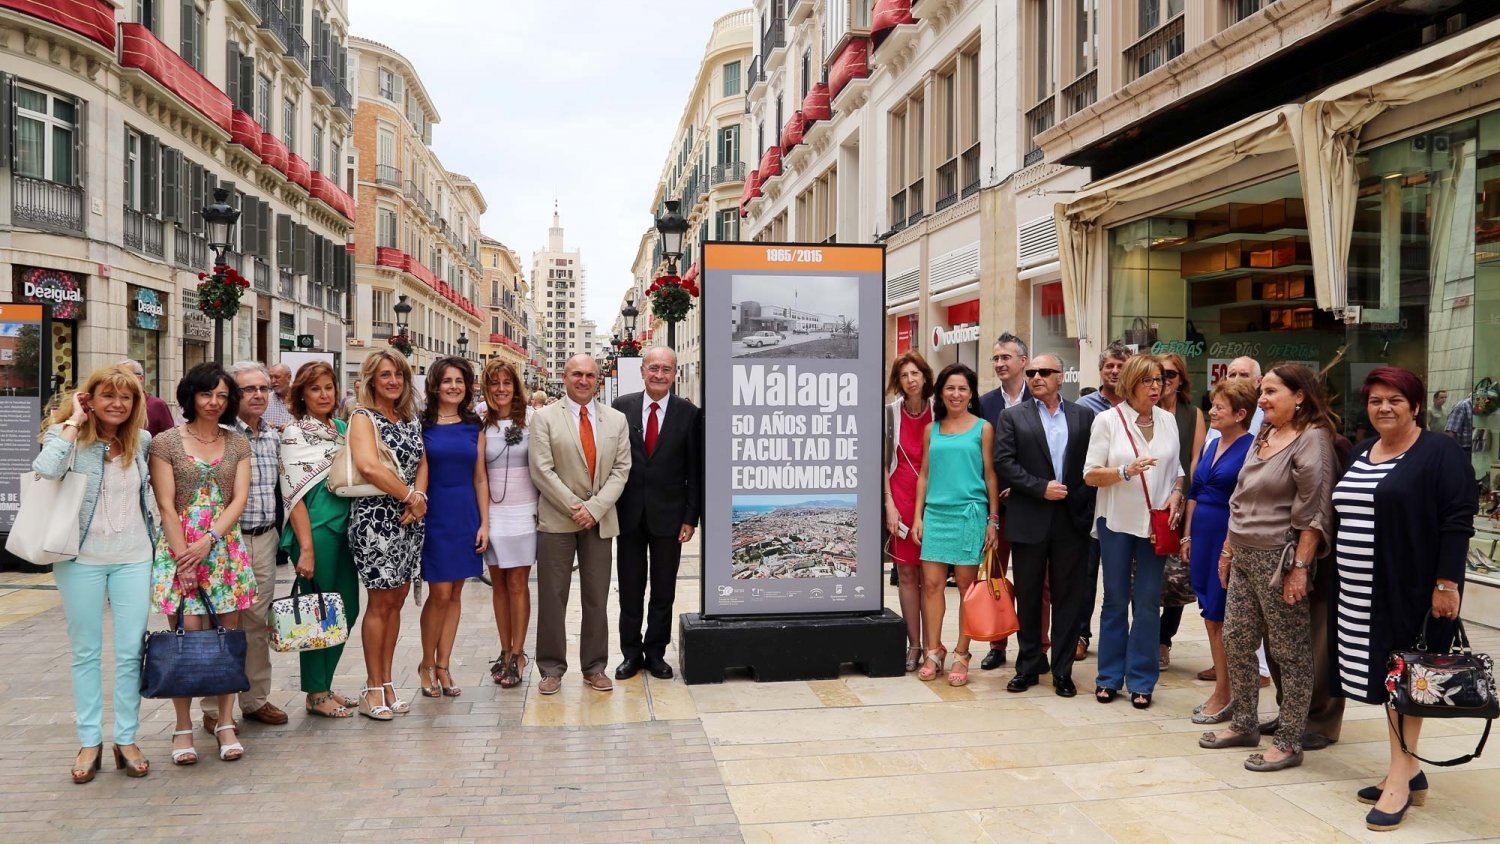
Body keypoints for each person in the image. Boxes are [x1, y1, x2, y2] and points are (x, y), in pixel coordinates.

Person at [1334, 368, 1476, 831]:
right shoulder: (1360, 450)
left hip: (1413, 589)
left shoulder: (1440, 452)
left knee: (1405, 679)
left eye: (1395, 399)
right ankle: (1410, 770)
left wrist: (1447, 584)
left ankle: (1398, 778)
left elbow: (1457, 521)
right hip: (1360, 590)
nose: (1384, 408)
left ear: (1415, 405)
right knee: (1382, 679)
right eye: (1376, 400)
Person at [1199, 364, 1336, 773]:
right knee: (1239, 641)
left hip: (1280, 559)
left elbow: (1314, 511)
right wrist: (1227, 551)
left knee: (1290, 652)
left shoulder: (1313, 439)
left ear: (1300, 396)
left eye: (1271, 391)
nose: (1262, 399)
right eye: (1262, 391)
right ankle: (1243, 722)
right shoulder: (1265, 433)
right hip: (1241, 552)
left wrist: (1299, 568)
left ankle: (1290, 740)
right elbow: (1240, 495)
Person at [40, 366, 156, 782]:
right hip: (79, 559)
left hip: (134, 556)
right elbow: (47, 470)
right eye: (107, 395)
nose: (117, 404)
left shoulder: (140, 442)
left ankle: (126, 737)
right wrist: (73, 420)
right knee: (86, 652)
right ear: (89, 398)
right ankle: (90, 740)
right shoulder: (70, 439)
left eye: (125, 398)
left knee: (130, 652)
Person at [148, 362, 254, 764]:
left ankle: (225, 722)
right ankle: (182, 726)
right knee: (185, 639)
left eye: (223, 396)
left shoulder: (238, 442)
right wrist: (184, 557)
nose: (214, 402)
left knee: (228, 639)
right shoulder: (166, 443)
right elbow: (165, 504)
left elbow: (238, 499)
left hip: (223, 548)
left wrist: (210, 540)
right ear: (191, 394)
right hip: (180, 547)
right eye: (207, 393)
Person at [1083, 354, 1183, 709]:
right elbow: (1090, 474)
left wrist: (1176, 494)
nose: (1155, 387)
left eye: (1159, 380)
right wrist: (1125, 471)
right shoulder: (1107, 421)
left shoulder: (1168, 421)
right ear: (1130, 383)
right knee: (1114, 600)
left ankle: (1142, 679)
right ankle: (1109, 677)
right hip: (1116, 522)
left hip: (1155, 524)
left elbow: (1178, 470)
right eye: (1147, 381)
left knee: (1147, 601)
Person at [529, 354, 631, 695]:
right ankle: (552, 669)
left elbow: (621, 471)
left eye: (590, 375)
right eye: (576, 374)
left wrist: (595, 508)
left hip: (599, 521)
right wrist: (577, 508)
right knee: (553, 597)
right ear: (564, 376)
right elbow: (542, 470)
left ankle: (594, 667)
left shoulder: (616, 420)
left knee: (597, 597)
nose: (583, 380)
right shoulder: (543, 418)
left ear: (598, 379)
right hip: (557, 520)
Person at [996, 355, 1096, 697]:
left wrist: (1079, 496)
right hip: (1030, 519)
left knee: (1068, 598)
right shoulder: (1012, 416)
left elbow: (1092, 465)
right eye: (1032, 372)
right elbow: (1004, 463)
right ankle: (1027, 667)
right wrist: (1041, 488)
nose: (1037, 377)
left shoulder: (1083, 416)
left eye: (1044, 372)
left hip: (1072, 520)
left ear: (1061, 376)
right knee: (1029, 595)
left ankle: (1063, 671)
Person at [200, 362, 288, 735]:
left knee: (256, 622)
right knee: (218, 621)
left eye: (264, 389)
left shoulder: (273, 437)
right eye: (249, 389)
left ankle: (254, 700)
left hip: (264, 538)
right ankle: (211, 707)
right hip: (225, 542)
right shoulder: (219, 436)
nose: (257, 395)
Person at [347, 348, 427, 721]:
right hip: (376, 519)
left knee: (396, 600)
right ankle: (371, 686)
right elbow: (368, 466)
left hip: (410, 517)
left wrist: (419, 498)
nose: (393, 380)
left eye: (398, 374)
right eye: (385, 375)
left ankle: (388, 680)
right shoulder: (364, 417)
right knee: (379, 603)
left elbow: (423, 460)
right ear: (371, 381)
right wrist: (409, 496)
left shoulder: (408, 417)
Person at [612, 347, 701, 681]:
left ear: (674, 374)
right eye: (653, 368)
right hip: (629, 516)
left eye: (666, 369)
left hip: (670, 518)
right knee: (630, 588)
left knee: (664, 590)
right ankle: (630, 655)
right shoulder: (621, 408)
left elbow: (695, 468)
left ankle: (657, 653)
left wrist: (691, 517)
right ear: (642, 371)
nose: (659, 375)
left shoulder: (689, 413)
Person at [279, 361, 360, 718]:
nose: (324, 394)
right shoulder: (295, 435)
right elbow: (293, 498)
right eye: (315, 389)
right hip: (316, 533)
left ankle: (325, 686)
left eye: (329, 387)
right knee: (318, 614)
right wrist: (306, 549)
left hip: (347, 531)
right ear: (302, 394)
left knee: (348, 609)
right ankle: (316, 692)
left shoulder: (343, 428)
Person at [911, 363, 1000, 687]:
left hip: (970, 515)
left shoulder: (983, 428)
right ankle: (934, 650)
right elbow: (924, 474)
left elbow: (991, 475)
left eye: (962, 388)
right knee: (932, 586)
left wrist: (993, 520)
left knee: (967, 589)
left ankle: (963, 654)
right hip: (936, 515)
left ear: (971, 393)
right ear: (941, 393)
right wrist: (918, 516)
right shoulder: (931, 429)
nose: (956, 394)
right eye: (950, 388)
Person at [1181, 378, 1257, 725]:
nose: (1211, 410)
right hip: (1202, 535)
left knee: (1223, 617)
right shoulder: (1212, 445)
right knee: (1210, 615)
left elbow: (1245, 501)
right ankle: (1225, 690)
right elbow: (1194, 492)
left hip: (1228, 537)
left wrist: (1231, 544)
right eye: (1212, 404)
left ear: (1241, 414)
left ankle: (1227, 692)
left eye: (1219, 406)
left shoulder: (1251, 448)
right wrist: (1187, 536)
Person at [416, 357, 487, 698]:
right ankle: (425, 664)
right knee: (439, 593)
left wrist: (484, 522)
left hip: (465, 513)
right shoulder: (421, 425)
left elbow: (480, 477)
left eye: (460, 381)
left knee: (456, 593)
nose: (454, 386)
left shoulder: (475, 425)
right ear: (435, 385)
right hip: (434, 514)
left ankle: (444, 665)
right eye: (447, 381)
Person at [480, 360, 538, 688]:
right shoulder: (478, 419)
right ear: (486, 389)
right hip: (493, 514)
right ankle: (504, 650)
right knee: (498, 585)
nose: (501, 389)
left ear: (516, 386)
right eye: (494, 384)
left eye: (506, 383)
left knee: (518, 583)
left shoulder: (532, 419)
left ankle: (518, 653)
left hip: (524, 512)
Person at [977, 332, 1032, 671]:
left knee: (1033, 580)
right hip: (994, 508)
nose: (999, 363)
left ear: (1023, 361)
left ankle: (1037, 645)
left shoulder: (1040, 398)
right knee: (994, 578)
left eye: (1005, 357)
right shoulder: (985, 404)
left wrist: (1024, 487)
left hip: (1031, 505)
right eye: (996, 358)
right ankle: (997, 644)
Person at [1074, 341, 1133, 660]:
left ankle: (1125, 637)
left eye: (1120, 366)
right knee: (1085, 573)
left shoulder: (1139, 406)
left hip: (1125, 503)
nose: (1114, 371)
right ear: (1100, 370)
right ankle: (1081, 633)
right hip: (1090, 502)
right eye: (1109, 365)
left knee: (1122, 576)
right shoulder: (1084, 406)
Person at [884, 351, 934, 672]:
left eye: (915, 373)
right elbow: (880, 462)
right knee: (906, 574)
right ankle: (913, 645)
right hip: (899, 497)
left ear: (926, 377)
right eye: (904, 375)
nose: (910, 380)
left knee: (932, 576)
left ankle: (933, 646)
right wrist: (887, 503)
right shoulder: (889, 414)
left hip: (935, 500)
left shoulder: (940, 411)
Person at [1156, 352, 1206, 671]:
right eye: (1157, 374)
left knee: (1176, 578)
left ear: (1181, 380)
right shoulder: (1141, 410)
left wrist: (1187, 502)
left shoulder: (1192, 414)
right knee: (1143, 576)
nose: (1163, 381)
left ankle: (1163, 640)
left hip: (1181, 502)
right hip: (1147, 503)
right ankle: (1145, 635)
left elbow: (1195, 461)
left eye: (1170, 375)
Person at [118, 358, 174, 436]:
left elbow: (171, 438)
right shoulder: (115, 405)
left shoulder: (157, 405)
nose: (121, 380)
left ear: (141, 378)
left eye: (126, 375)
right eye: (118, 376)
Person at [264, 362, 294, 428]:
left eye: (277, 377)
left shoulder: (301, 401)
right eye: (270, 377)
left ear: (289, 377)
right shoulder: (264, 400)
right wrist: (264, 426)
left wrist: (292, 428)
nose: (273, 381)